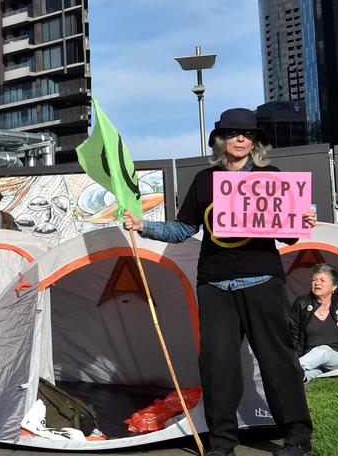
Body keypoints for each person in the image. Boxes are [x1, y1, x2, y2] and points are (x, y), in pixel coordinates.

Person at [122, 108, 315, 456]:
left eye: (247, 134)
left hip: (262, 280)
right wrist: (143, 226)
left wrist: (303, 220)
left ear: (255, 141)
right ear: (220, 140)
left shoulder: (272, 177)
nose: (240, 139)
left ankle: (297, 436)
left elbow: (288, 239)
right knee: (217, 367)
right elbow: (182, 230)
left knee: (278, 360)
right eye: (232, 133)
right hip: (215, 285)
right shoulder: (203, 180)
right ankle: (222, 442)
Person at [289, 264, 338, 382]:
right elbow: (293, 337)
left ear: (334, 286)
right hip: (312, 358)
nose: (317, 283)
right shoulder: (301, 303)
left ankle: (288, 370)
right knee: (316, 370)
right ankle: (302, 377)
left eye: (322, 280)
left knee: (323, 350)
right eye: (314, 279)